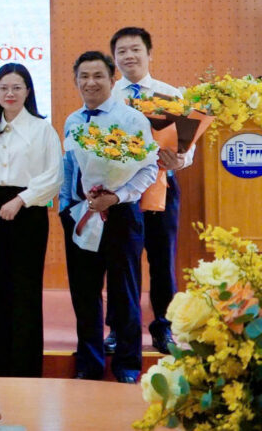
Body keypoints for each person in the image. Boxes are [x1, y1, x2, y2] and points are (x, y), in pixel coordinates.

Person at [60, 51, 158, 384]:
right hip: (82, 215)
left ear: (112, 80)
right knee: (85, 293)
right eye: (84, 76)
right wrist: (67, 207)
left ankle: (128, 365)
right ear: (76, 81)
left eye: (98, 76)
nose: (91, 82)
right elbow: (70, 167)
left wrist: (116, 196)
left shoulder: (131, 120)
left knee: (124, 292)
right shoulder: (73, 121)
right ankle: (89, 363)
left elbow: (148, 168)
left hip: (121, 216)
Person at [0, 64, 62, 377]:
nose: (9, 93)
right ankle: (0, 366)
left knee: (25, 289)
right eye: (3, 88)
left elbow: (54, 175)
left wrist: (21, 200)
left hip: (28, 213)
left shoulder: (42, 129)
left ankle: (26, 368)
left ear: (28, 91)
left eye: (16, 87)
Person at [106, 26, 190, 355]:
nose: (129, 56)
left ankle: (163, 328)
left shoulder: (170, 95)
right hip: (120, 189)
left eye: (135, 49)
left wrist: (180, 159)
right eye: (121, 51)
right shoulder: (109, 96)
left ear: (149, 53)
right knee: (120, 261)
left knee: (161, 259)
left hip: (162, 185)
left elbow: (188, 147)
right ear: (114, 58)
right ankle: (119, 328)